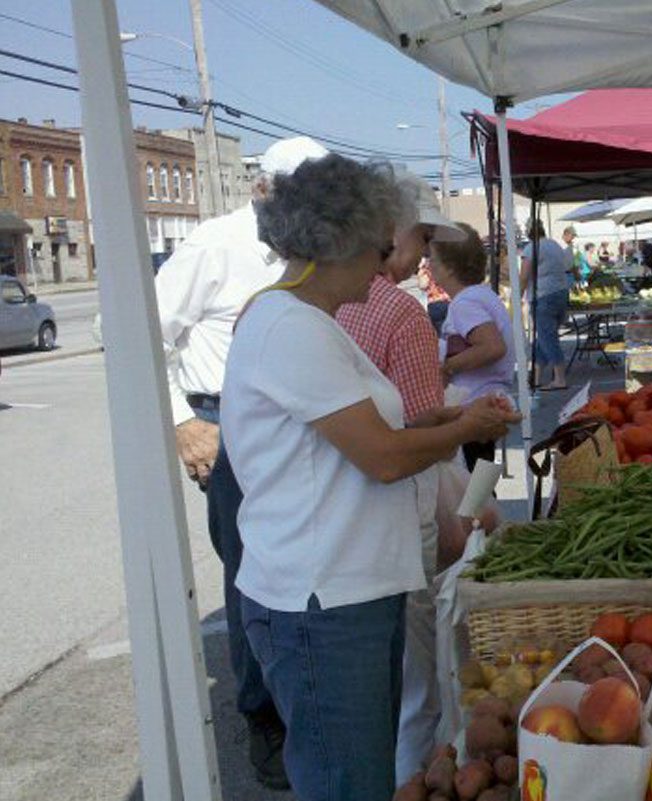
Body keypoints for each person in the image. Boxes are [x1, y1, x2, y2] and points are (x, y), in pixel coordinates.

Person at [224, 154, 519, 801]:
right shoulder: (288, 326)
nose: (392, 261)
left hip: (352, 591)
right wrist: (463, 430)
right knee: (346, 782)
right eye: (383, 244)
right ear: (344, 242)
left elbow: (371, 429)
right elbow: (381, 455)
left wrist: (448, 415)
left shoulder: (318, 324)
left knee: (361, 772)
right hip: (321, 600)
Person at [155, 134, 328, 790]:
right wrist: (181, 422)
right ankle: (264, 712)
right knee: (250, 568)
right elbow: (132, 326)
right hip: (226, 416)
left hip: (301, 409)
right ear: (262, 189)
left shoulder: (312, 241)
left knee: (301, 556)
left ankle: (303, 693)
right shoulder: (213, 246)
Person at [333, 170, 465, 786]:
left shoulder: (317, 309)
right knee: (419, 686)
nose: (423, 259)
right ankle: (411, 780)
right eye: (422, 241)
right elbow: (417, 439)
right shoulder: (401, 313)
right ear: (393, 233)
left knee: (369, 695)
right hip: (396, 517)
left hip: (341, 531)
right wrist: (464, 509)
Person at [431, 223, 516, 472]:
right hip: (488, 402)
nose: (428, 265)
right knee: (481, 482)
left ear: (450, 266)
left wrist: (447, 367)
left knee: (471, 487)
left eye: (433, 259)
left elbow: (492, 347)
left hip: (474, 404)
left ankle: (481, 510)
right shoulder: (482, 295)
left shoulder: (464, 303)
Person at [520, 219, 572, 390]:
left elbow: (524, 276)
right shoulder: (555, 245)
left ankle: (560, 378)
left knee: (548, 337)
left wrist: (518, 297)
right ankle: (536, 376)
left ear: (529, 232)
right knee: (544, 336)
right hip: (561, 293)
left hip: (543, 296)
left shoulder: (531, 248)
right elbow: (567, 266)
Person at [418, 260, 451, 334]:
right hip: (450, 301)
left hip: (435, 303)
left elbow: (423, 285)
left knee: (438, 333)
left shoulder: (426, 267)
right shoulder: (448, 264)